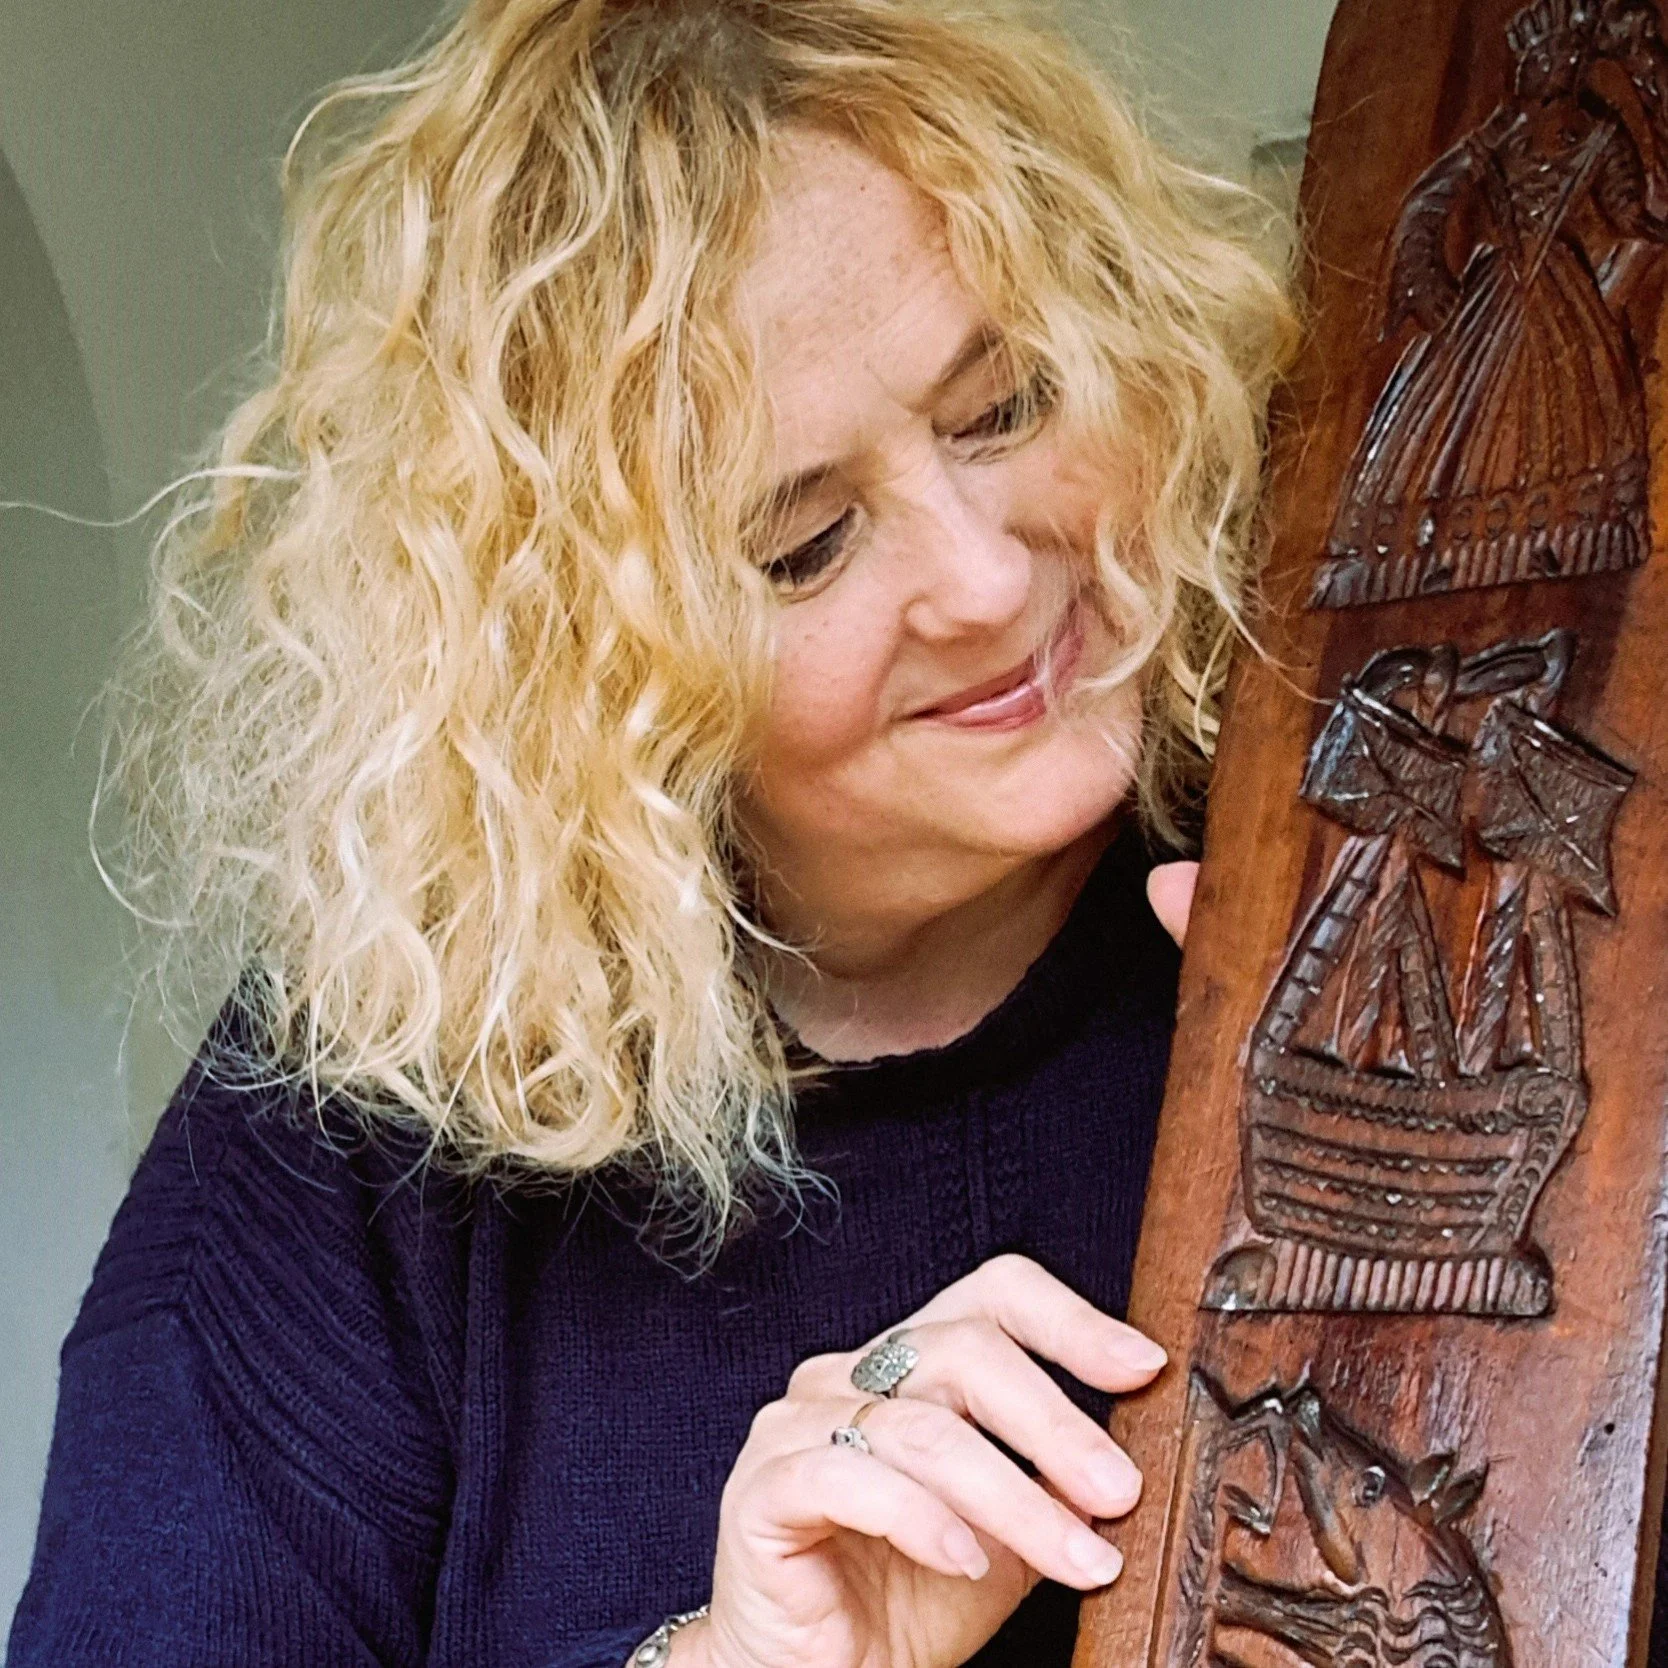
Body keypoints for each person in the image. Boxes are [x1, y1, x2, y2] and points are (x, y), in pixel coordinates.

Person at [7, 2, 1295, 1665]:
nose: (986, 580)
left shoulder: (1414, 858)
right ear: (585, 667)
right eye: (807, 545)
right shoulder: (348, 1141)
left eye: (1005, 407)